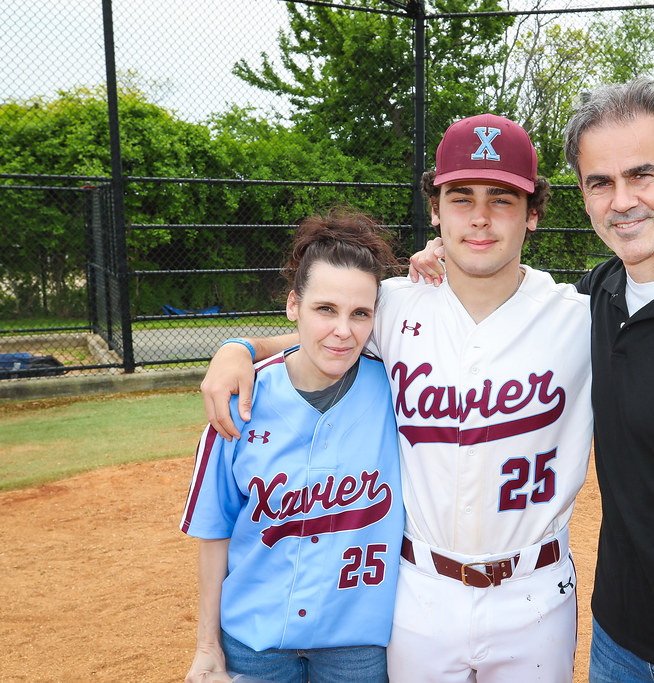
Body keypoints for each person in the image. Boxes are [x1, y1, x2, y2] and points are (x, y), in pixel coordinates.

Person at [409, 78, 654, 683]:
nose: (622, 200)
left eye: (641, 174)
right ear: (584, 193)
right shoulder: (600, 298)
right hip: (617, 639)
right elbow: (499, 313)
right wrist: (241, 347)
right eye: (602, 182)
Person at [199, 114, 595, 682]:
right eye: (461, 197)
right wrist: (237, 348)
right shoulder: (395, 304)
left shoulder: (579, 318)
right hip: (420, 592)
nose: (480, 217)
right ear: (435, 210)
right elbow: (323, 334)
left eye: (503, 199)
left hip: (535, 593)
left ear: (533, 214)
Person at [180, 209, 405, 683]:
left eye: (359, 313)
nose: (343, 330)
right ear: (292, 306)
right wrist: (206, 646)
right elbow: (215, 530)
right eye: (325, 309)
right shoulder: (241, 399)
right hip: (255, 641)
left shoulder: (398, 394)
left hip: (357, 643)